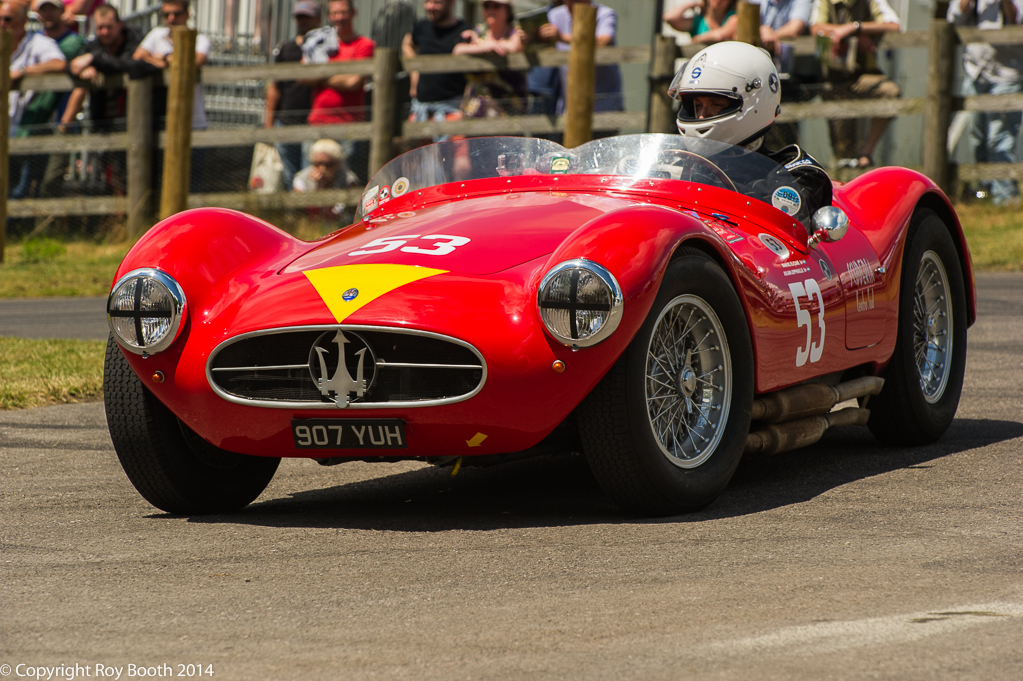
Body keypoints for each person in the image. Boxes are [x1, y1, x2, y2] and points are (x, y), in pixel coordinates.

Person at [668, 41, 833, 221]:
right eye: (697, 106)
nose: (701, 116)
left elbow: (776, 224)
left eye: (717, 105)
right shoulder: (683, 161)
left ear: (754, 104)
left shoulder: (797, 173)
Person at [57, 4, 142, 195]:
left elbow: (128, 64)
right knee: (106, 172)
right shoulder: (95, 46)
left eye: (109, 27)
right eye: (100, 27)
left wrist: (95, 60)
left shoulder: (134, 40)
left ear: (120, 25)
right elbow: (74, 64)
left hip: (133, 121)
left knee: (131, 172)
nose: (104, 32)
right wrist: (81, 69)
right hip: (103, 119)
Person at [947, 0, 1023, 205]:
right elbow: (954, 18)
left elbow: (1016, 21)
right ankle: (985, 193)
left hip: (1007, 75)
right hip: (975, 73)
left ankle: (1006, 199)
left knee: (999, 139)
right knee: (977, 138)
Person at [810, 0, 901, 169]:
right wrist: (845, 32)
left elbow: (894, 25)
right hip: (834, 77)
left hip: (865, 74)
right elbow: (815, 27)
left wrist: (856, 28)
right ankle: (844, 167)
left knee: (890, 92)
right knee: (842, 149)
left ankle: (867, 153)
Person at [133, 0, 211, 191]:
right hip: (161, 123)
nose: (171, 19)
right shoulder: (156, 35)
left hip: (193, 122)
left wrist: (163, 58)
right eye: (166, 14)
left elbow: (194, 61)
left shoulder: (200, 38)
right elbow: (137, 56)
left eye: (176, 14)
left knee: (191, 185)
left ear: (187, 14)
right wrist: (166, 60)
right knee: (158, 183)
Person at [301, 0, 375, 182]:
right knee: (311, 179)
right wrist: (337, 76)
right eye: (334, 13)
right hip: (317, 123)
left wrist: (320, 76)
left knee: (345, 182)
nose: (339, 17)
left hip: (348, 126)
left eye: (343, 12)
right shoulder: (319, 43)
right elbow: (302, 76)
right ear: (329, 16)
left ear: (353, 13)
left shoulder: (364, 45)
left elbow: (353, 83)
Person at [4, 0, 67, 200]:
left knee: (19, 193)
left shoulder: (39, 43)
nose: (2, 24)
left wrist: (22, 72)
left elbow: (58, 63)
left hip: (26, 130)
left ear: (23, 20)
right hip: (4, 130)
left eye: (8, 19)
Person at [265, 0, 321, 190]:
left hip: (312, 122)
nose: (303, 21)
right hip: (285, 121)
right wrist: (269, 124)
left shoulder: (323, 48)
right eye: (299, 17)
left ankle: (308, 208)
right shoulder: (285, 48)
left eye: (307, 17)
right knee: (289, 175)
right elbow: (274, 87)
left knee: (309, 174)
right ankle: (292, 209)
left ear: (318, 18)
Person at [540, 0, 622, 113]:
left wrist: (562, 37)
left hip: (605, 104)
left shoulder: (604, 13)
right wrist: (529, 38)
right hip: (569, 104)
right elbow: (545, 47)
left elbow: (603, 41)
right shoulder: (555, 15)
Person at [452, 0, 527, 117]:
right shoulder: (478, 31)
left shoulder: (515, 31)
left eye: (496, 6)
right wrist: (486, 46)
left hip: (509, 107)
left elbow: (514, 47)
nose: (491, 10)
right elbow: (457, 50)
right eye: (487, 6)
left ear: (508, 10)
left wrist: (480, 45)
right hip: (475, 107)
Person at [403, 0, 471, 123]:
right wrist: (414, 76)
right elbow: (407, 44)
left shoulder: (464, 32)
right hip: (420, 108)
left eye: (437, 2)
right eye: (427, 2)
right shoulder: (421, 27)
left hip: (451, 109)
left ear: (451, 3)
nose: (430, 6)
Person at [292, 138, 361, 191]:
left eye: (328, 164)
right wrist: (319, 187)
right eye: (318, 164)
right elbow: (299, 205)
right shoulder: (301, 180)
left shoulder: (349, 180)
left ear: (338, 164)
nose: (322, 169)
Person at [663, 0, 738, 45]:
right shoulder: (698, 21)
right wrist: (695, 4)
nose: (718, 0)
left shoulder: (734, 17)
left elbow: (719, 36)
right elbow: (669, 17)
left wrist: (698, 39)